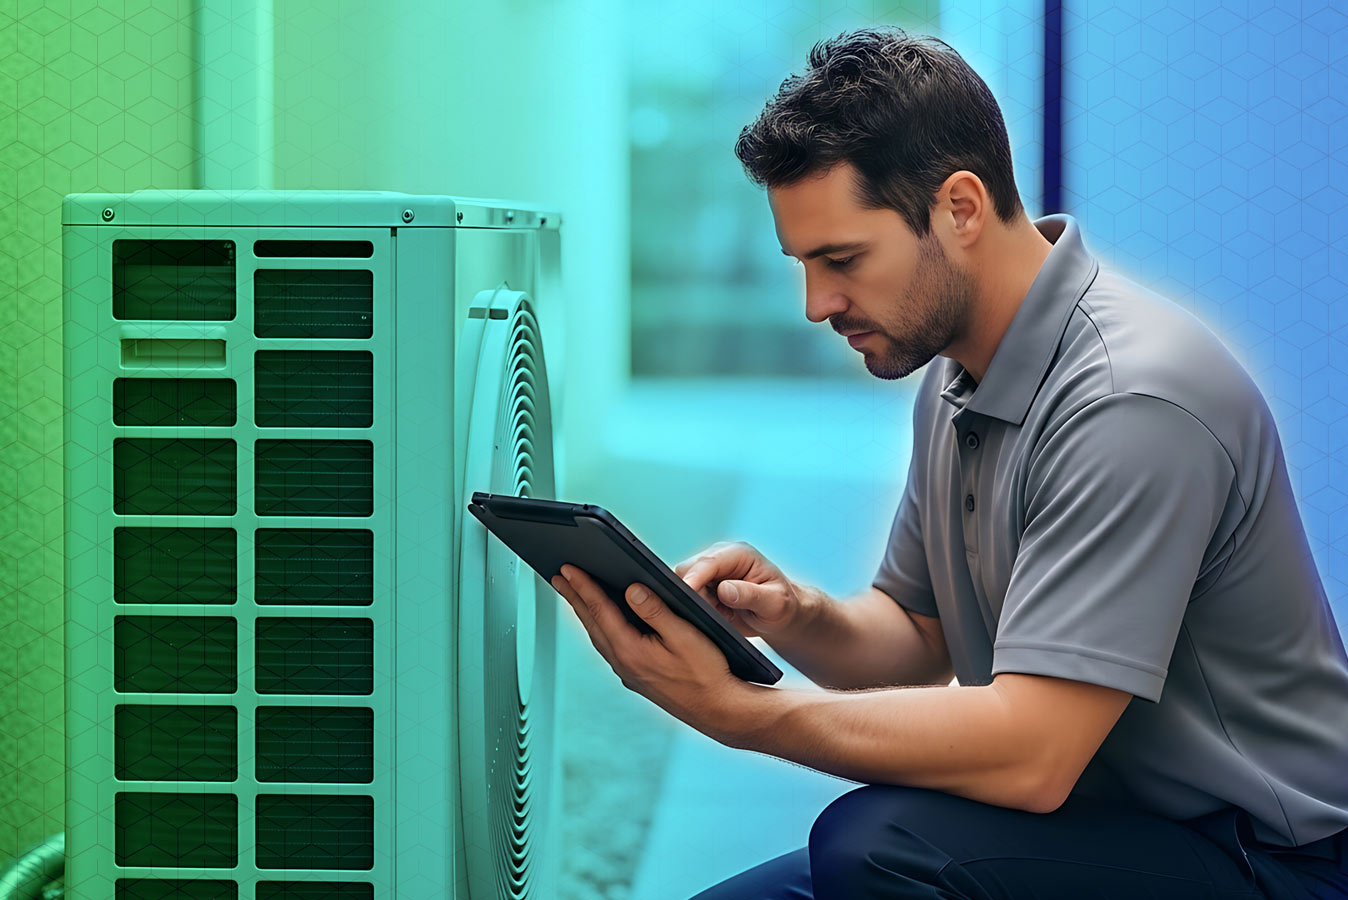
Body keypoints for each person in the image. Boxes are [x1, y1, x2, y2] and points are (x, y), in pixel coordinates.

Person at [547, 25, 1348, 899]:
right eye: (804, 265)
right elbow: (920, 639)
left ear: (960, 208)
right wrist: (796, 614)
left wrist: (745, 716)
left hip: (1261, 860)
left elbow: (1032, 754)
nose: (818, 304)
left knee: (878, 846)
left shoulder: (1131, 400)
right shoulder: (961, 371)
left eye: (842, 259)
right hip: (1093, 825)